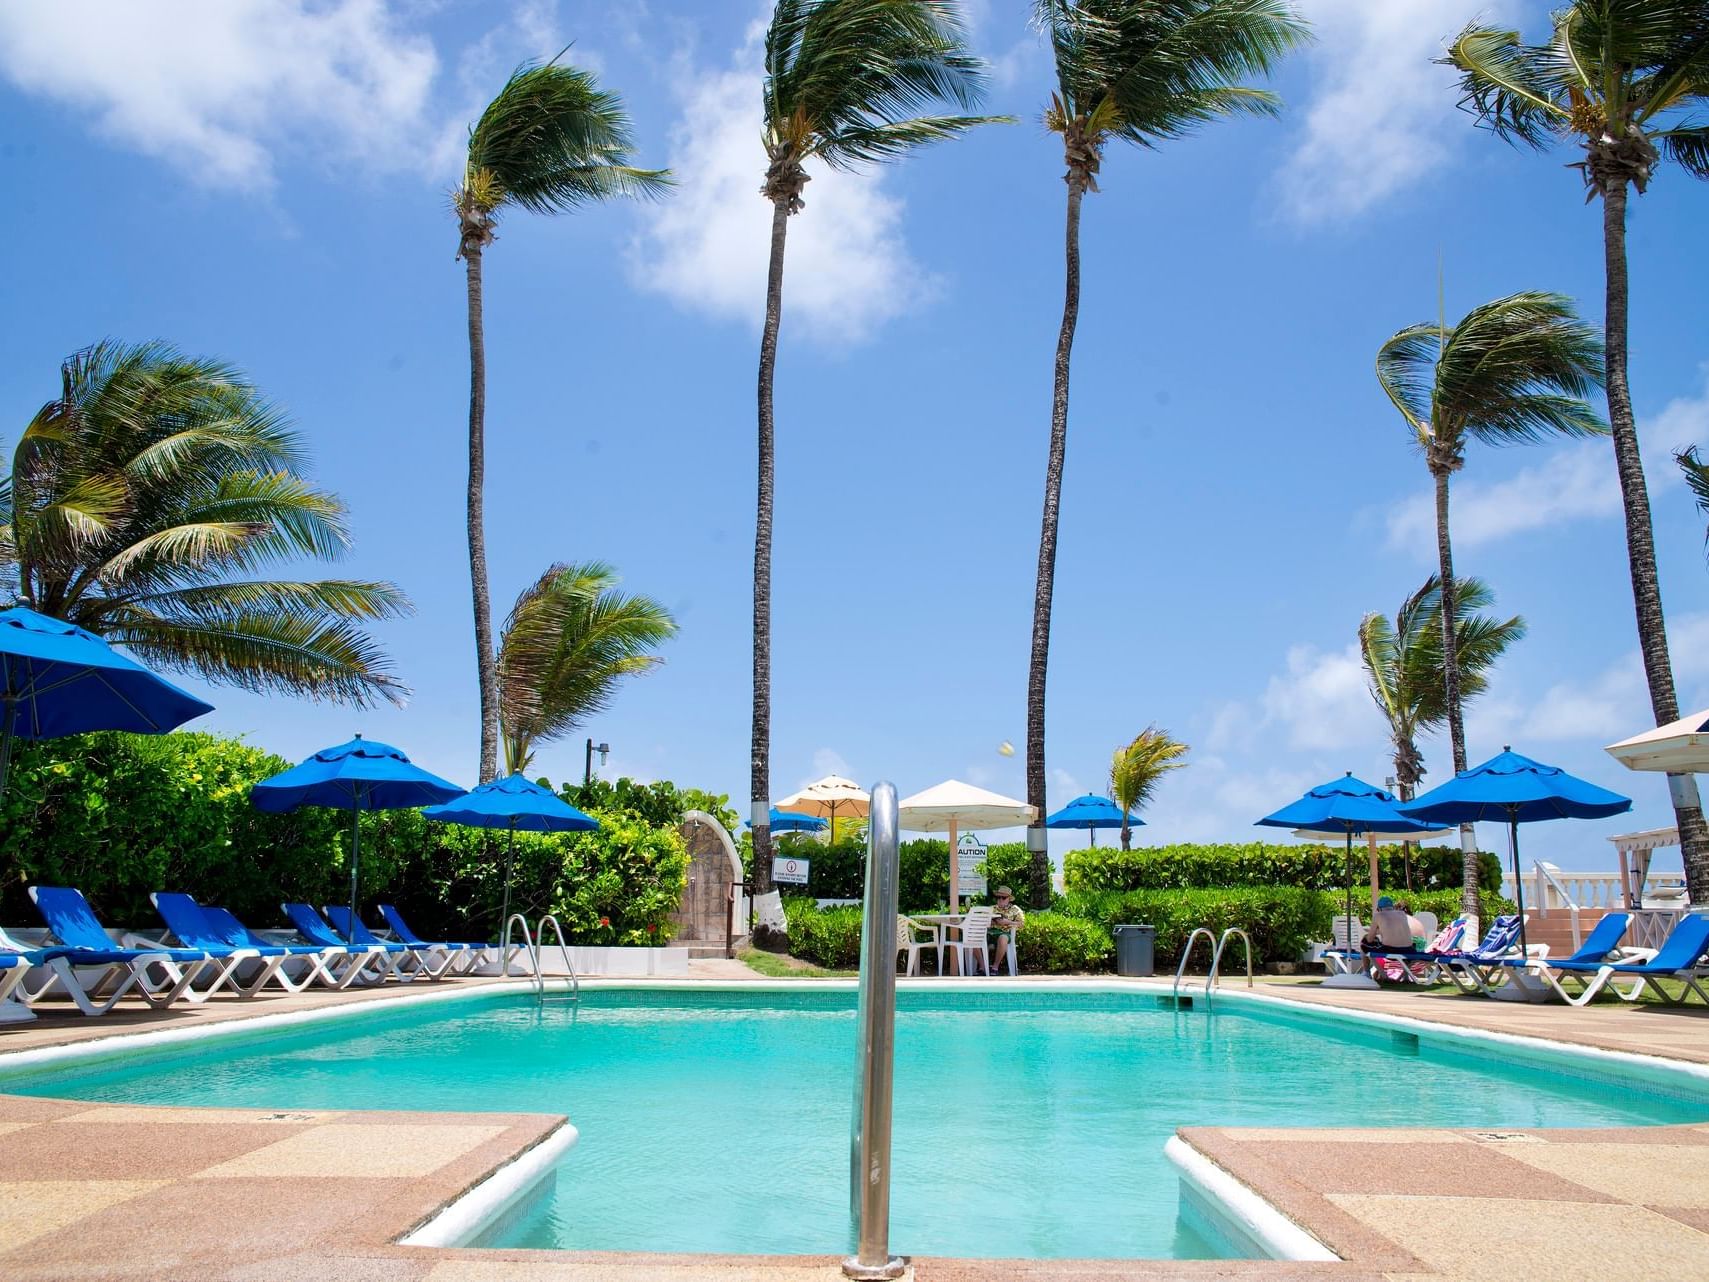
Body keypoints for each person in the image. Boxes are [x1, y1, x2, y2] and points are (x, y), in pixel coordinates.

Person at [990, 885, 1025, 972]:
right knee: (973, 937)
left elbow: (1021, 924)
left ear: (1009, 899)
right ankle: (982, 967)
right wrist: (993, 922)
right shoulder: (991, 908)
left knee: (1003, 938)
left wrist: (1007, 922)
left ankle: (995, 967)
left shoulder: (1015, 909)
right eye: (998, 897)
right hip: (990, 932)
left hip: (1005, 933)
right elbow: (981, 920)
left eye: (1003, 897)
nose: (1000, 900)